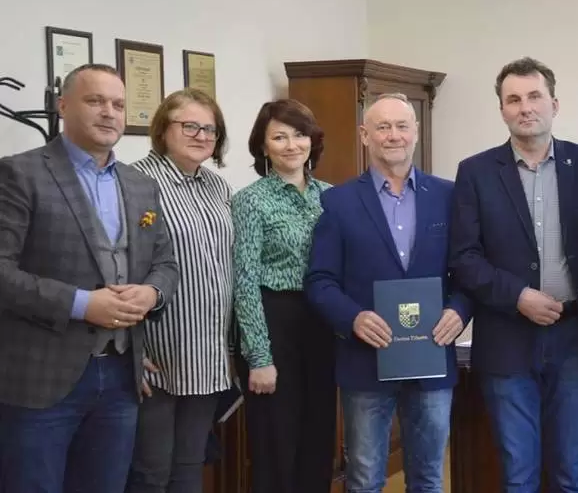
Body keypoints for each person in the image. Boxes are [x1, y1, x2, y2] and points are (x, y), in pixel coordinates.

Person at [0, 63, 179, 493]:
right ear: (63, 106)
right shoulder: (20, 173)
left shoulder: (141, 185)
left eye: (118, 104)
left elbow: (166, 264)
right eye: (95, 100)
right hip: (41, 380)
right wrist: (82, 304)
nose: (109, 112)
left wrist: (151, 293)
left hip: (121, 376)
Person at [448, 57, 578, 493]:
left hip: (576, 337)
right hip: (506, 337)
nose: (525, 107)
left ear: (554, 104)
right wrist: (518, 295)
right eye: (514, 99)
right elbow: (464, 257)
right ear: (502, 110)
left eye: (535, 96)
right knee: (518, 475)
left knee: (570, 473)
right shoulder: (475, 172)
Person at [305, 93, 471, 493]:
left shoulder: (449, 196)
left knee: (429, 478)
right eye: (382, 127)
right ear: (365, 135)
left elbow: (468, 270)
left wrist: (459, 310)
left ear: (416, 132)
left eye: (401, 126)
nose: (393, 135)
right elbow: (320, 280)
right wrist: (353, 318)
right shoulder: (338, 202)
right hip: (366, 362)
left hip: (432, 356)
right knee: (364, 480)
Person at [126, 88, 234, 493]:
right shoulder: (134, 182)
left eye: (210, 129)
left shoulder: (217, 187)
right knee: (150, 472)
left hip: (206, 354)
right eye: (190, 126)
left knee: (190, 466)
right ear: (162, 129)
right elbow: (115, 266)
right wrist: (131, 350)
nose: (202, 136)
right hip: (157, 356)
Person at [231, 99, 335, 493]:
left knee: (318, 439)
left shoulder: (332, 196)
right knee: (278, 444)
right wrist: (259, 357)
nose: (291, 145)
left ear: (312, 141)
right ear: (263, 146)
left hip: (322, 324)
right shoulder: (250, 200)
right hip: (274, 322)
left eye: (299, 135)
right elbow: (244, 281)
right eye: (279, 137)